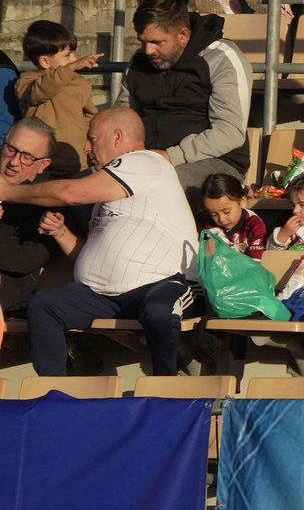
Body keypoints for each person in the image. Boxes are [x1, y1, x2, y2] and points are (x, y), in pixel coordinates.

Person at [18, 107, 199, 377]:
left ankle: (167, 387)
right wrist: (61, 233)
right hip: (102, 296)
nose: (86, 147)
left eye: (92, 139)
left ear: (117, 137)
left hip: (163, 284)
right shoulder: (111, 191)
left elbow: (69, 193)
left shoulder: (144, 161)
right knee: (43, 305)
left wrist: (9, 191)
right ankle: (56, 392)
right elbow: (92, 255)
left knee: (158, 310)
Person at [119, 0, 251, 192]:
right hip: (146, 159)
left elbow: (229, 132)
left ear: (183, 35)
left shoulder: (222, 58)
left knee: (160, 188)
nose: (148, 51)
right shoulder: (139, 62)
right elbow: (122, 116)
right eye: (143, 42)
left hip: (215, 160)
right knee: (87, 185)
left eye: (156, 42)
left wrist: (170, 156)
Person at [16, 20, 99, 176]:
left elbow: (90, 115)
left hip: (75, 163)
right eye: (67, 55)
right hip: (38, 166)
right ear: (44, 61)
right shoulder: (27, 82)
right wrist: (71, 68)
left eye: (73, 53)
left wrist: (90, 138)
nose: (74, 59)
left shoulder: (80, 83)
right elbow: (41, 90)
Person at [0, 119, 61, 316]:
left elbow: (20, 261)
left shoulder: (48, 202)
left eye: (27, 157)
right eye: (11, 149)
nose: (14, 162)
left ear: (43, 164)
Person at [199, 172, 268, 260]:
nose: (221, 219)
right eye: (213, 214)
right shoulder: (207, 222)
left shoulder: (255, 226)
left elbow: (256, 262)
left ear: (242, 202)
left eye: (226, 212)